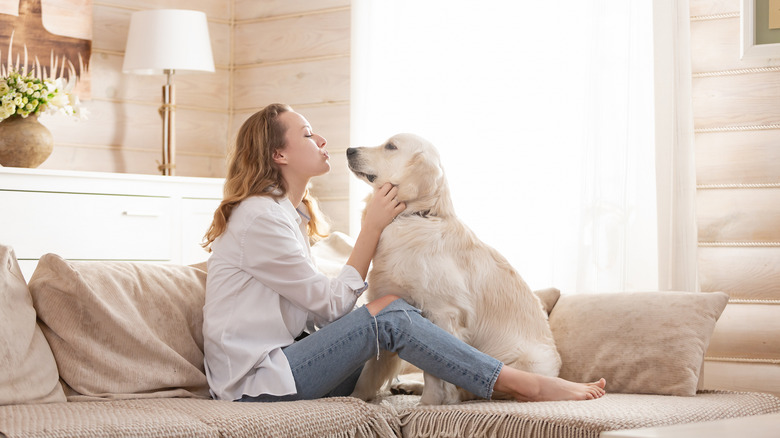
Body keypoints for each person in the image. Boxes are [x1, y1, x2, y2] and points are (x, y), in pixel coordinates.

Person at [201, 103, 606, 403]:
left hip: (289, 367)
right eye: (308, 134)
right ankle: (525, 383)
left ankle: (484, 381)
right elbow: (330, 308)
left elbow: (312, 313)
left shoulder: (287, 215)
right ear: (279, 155)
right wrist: (371, 229)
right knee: (392, 311)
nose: (322, 140)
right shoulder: (259, 217)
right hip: (256, 385)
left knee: (400, 312)